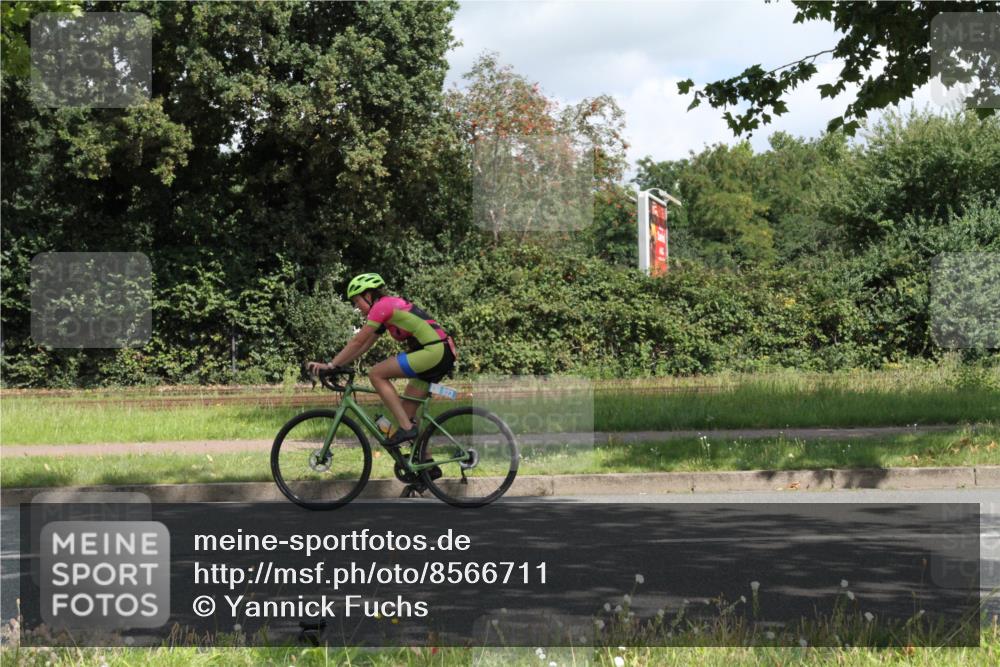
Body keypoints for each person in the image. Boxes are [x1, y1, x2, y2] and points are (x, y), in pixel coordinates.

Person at [307, 273, 457, 447]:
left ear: (368, 295)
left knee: (376, 374)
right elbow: (364, 346)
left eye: (357, 301)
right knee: (406, 412)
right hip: (439, 353)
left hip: (435, 351)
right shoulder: (387, 310)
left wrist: (331, 365)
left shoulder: (383, 306)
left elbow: (357, 340)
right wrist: (339, 365)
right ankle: (426, 464)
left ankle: (406, 428)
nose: (357, 307)